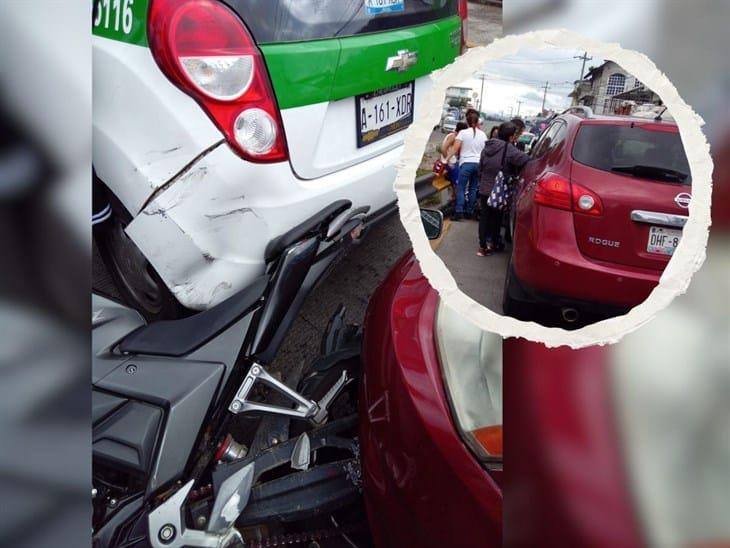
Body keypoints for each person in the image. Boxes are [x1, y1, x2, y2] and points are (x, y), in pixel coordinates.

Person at [477, 122, 531, 256]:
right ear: (511, 137)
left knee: (484, 216)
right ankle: (494, 243)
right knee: (496, 218)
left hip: (484, 187)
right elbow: (525, 160)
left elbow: (481, 167)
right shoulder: (509, 148)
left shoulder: (487, 146)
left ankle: (483, 245)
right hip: (498, 190)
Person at [449, 110, 487, 220]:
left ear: (467, 120)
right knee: (473, 188)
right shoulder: (483, 135)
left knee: (461, 187)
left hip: (466, 163)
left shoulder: (463, 133)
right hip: (478, 164)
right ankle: (470, 211)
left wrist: (447, 159)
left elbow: (455, 149)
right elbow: (485, 151)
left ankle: (459, 211)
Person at [439, 121, 468, 190]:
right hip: (450, 163)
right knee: (458, 184)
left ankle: (455, 196)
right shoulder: (453, 136)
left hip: (453, 162)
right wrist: (448, 162)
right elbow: (443, 148)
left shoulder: (456, 136)